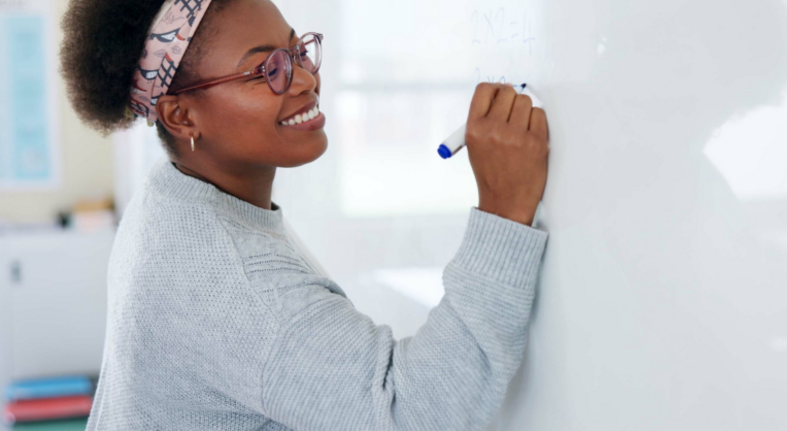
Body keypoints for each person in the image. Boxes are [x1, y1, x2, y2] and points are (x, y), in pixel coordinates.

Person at [59, 0, 550, 429]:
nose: (306, 79)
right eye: (265, 70)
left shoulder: (171, 198)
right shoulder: (233, 279)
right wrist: (503, 210)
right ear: (181, 116)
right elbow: (415, 413)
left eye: (297, 52)